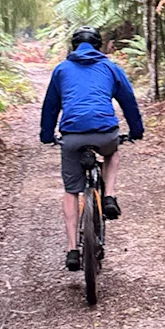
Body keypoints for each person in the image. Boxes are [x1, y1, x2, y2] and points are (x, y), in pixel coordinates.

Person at [40, 26, 144, 271]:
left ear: (73, 45)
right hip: (105, 132)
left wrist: (47, 135)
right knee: (113, 151)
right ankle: (108, 195)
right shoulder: (111, 67)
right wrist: (136, 131)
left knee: (71, 191)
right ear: (98, 45)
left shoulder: (62, 69)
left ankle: (72, 250)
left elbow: (50, 106)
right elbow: (129, 101)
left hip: (72, 136)